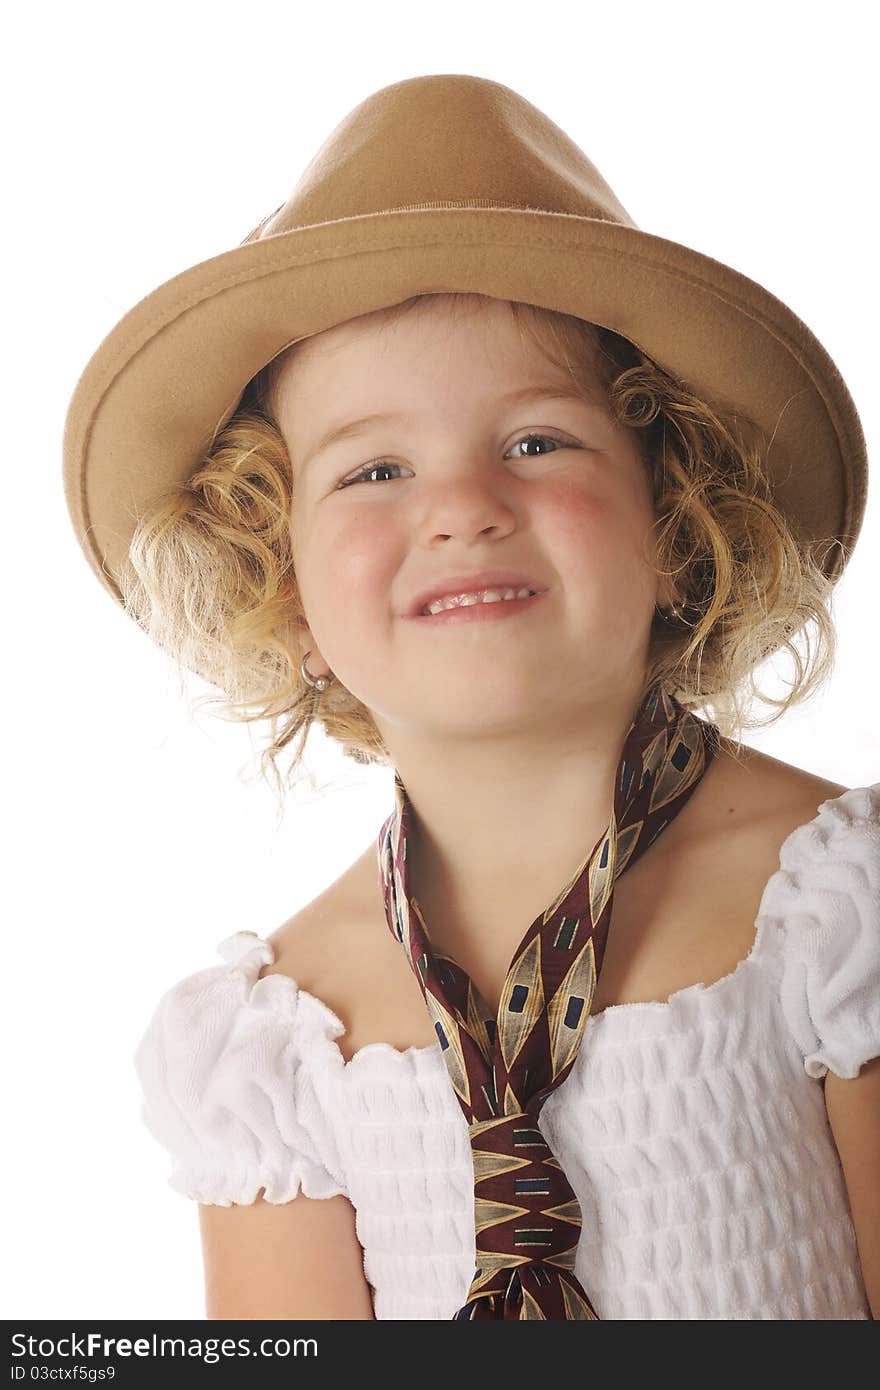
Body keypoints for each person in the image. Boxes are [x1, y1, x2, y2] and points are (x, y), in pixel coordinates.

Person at [63, 75, 879, 1320]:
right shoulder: (281, 1044)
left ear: (676, 523)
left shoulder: (838, 918)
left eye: (537, 441)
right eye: (374, 467)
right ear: (283, 593)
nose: (460, 505)